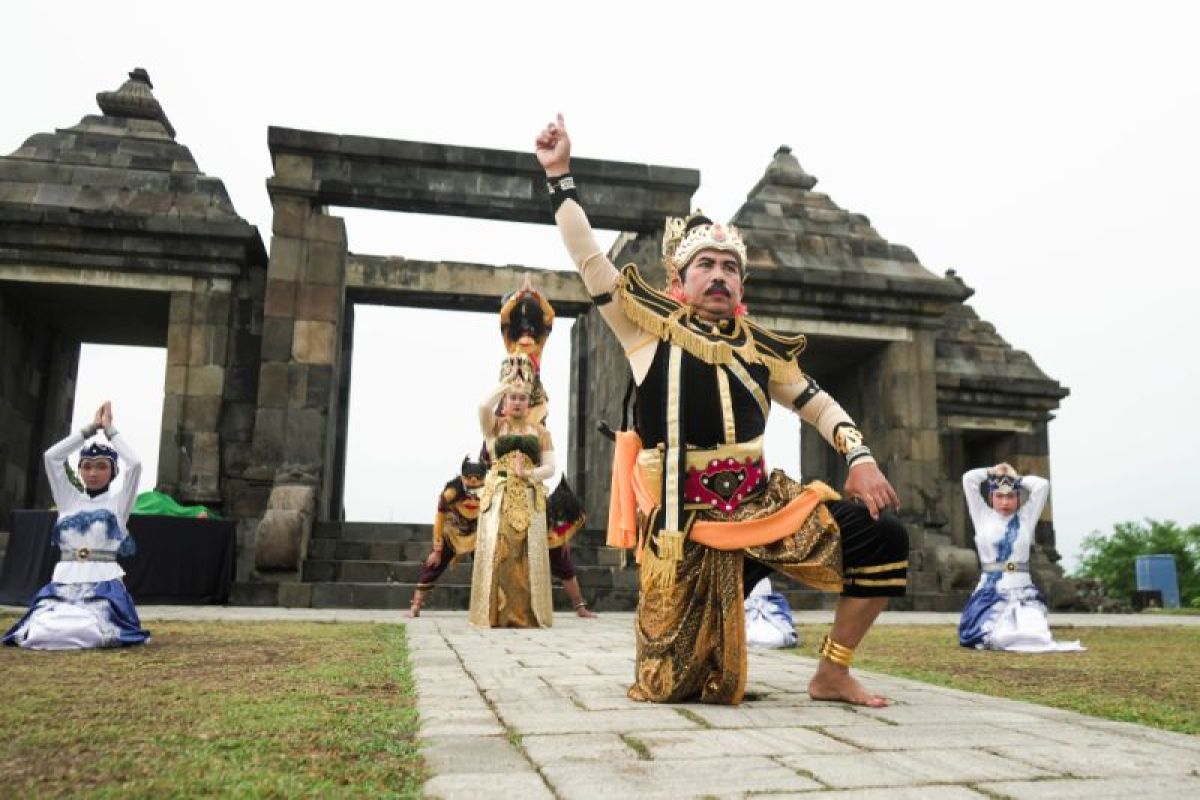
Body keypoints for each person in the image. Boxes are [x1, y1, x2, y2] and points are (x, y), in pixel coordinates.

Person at [535, 114, 909, 705]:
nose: (719, 275)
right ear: (678, 284)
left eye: (729, 267)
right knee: (677, 687)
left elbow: (820, 406)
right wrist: (560, 176)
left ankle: (833, 672)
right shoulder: (645, 333)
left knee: (883, 536)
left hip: (763, 510)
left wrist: (859, 457)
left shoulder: (764, 351)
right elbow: (589, 261)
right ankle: (708, 618)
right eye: (705, 265)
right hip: (688, 524)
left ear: (742, 288)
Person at [3, 401, 150, 650]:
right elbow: (51, 457)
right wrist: (89, 430)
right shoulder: (68, 499)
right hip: (64, 582)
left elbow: (134, 465)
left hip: (103, 585)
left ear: (113, 472)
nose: (93, 473)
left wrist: (110, 431)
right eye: (87, 466)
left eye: (101, 466)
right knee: (40, 631)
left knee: (88, 630)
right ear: (80, 470)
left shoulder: (118, 504)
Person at [958, 464, 1084, 652]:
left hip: (1023, 593)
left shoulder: (1026, 518)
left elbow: (1042, 485)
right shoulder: (982, 516)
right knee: (998, 637)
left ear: (1018, 498)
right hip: (991, 593)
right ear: (991, 497)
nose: (1005, 502)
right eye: (999, 496)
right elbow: (969, 478)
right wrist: (993, 472)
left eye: (1010, 496)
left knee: (1036, 636)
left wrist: (1015, 478)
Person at [468, 359, 555, 627]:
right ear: (505, 401)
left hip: (529, 494)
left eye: (522, 398)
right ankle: (494, 614)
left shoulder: (540, 431)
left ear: (529, 403)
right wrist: (506, 383)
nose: (517, 402)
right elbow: (483, 405)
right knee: (499, 551)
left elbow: (550, 468)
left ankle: (527, 615)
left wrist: (529, 474)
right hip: (500, 495)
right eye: (512, 398)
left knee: (527, 555)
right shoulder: (494, 427)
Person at [408, 456, 487, 618]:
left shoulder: (490, 490)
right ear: (462, 477)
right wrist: (437, 549)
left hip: (477, 532)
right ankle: (415, 605)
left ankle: (490, 606)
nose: (473, 482)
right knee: (434, 564)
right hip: (452, 531)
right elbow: (439, 518)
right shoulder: (451, 492)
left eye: (478, 479)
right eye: (469, 478)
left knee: (487, 566)